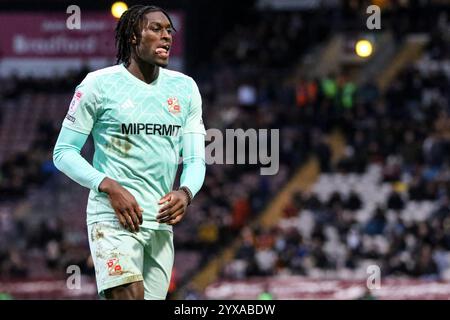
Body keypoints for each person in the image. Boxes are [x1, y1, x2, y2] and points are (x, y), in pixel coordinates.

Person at [53, 5, 206, 300]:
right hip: (112, 218)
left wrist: (186, 193)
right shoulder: (99, 84)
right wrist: (108, 186)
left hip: (160, 223)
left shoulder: (185, 89)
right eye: (156, 29)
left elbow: (196, 159)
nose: (166, 37)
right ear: (134, 36)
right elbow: (63, 152)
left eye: (169, 30)